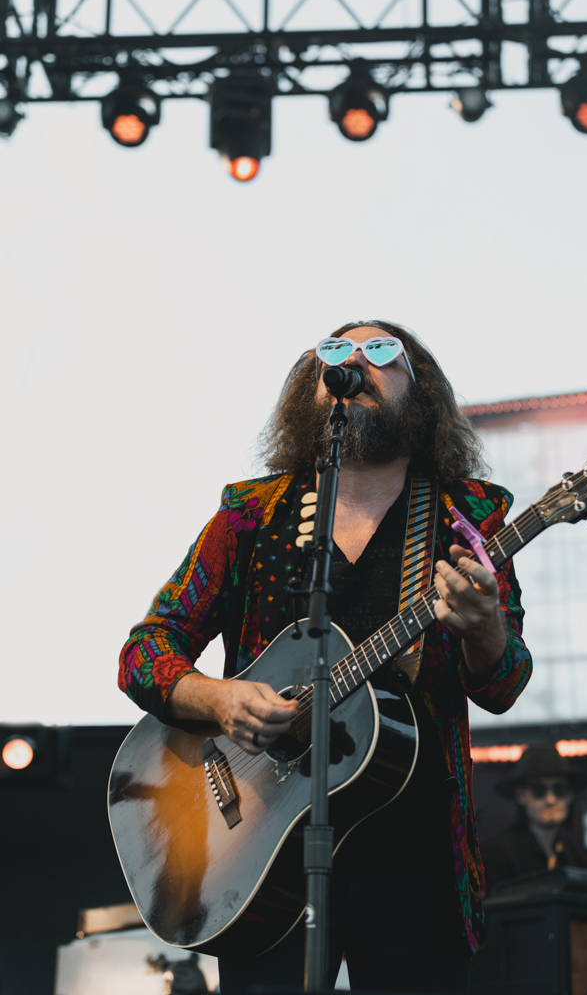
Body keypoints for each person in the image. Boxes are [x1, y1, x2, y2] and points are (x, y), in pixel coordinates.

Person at [118, 321, 533, 994]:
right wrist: (218, 699)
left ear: (419, 390)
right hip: (257, 858)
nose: (356, 366)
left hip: (416, 861)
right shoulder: (248, 517)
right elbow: (144, 652)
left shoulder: (470, 517)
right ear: (309, 391)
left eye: (382, 355)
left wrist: (484, 625)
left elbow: (506, 682)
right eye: (336, 355)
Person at [481, 745, 587, 894]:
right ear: (521, 796)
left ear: (570, 795)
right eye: (539, 790)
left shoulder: (576, 860)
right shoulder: (494, 855)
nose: (551, 799)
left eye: (560, 789)